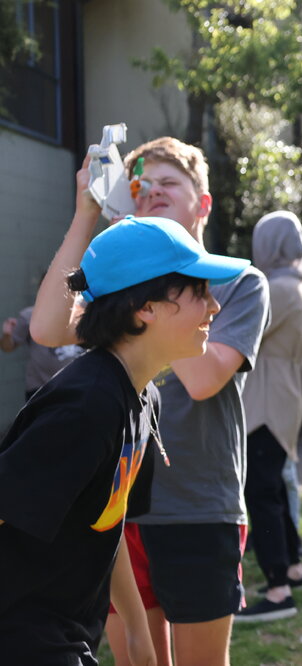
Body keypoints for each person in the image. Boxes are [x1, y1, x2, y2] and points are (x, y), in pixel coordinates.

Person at [31, 137, 270, 666]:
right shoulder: (128, 285)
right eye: (142, 185)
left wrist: (157, 297)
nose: (153, 192)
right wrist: (89, 216)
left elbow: (205, 379)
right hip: (120, 514)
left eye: (170, 183)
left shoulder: (241, 282)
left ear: (203, 202)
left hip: (199, 509)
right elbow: (48, 327)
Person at [0, 216, 248, 665]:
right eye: (200, 292)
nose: (214, 307)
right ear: (145, 307)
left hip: (66, 633)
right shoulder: (86, 407)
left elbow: (107, 519)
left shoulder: (143, 397)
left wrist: (137, 633)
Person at [237, 210, 302, 622]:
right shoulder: (298, 284)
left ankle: (277, 591)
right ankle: (293, 568)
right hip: (285, 392)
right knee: (272, 485)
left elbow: (240, 331)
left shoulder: (273, 288)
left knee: (260, 493)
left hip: (265, 397)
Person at [1, 305, 84, 401]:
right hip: (40, 387)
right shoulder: (30, 315)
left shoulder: (82, 310)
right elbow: (7, 347)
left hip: (76, 385)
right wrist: (7, 334)